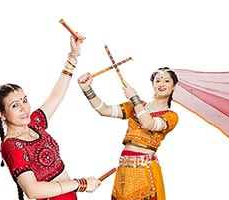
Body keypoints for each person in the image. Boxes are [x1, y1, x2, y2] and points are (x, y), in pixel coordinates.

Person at [0, 35, 101, 200]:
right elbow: (32, 191)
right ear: (1, 113)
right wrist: (81, 183)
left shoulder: (34, 124)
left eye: (24, 100)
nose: (24, 108)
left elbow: (56, 97)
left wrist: (73, 56)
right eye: (14, 105)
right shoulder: (12, 146)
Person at [77, 67, 179, 200]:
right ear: (153, 84)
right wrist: (87, 89)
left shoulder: (170, 116)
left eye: (166, 81)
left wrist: (134, 98)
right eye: (158, 80)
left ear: (174, 86)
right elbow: (105, 110)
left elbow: (149, 123)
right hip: (124, 166)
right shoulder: (136, 106)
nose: (161, 84)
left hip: (145, 169)